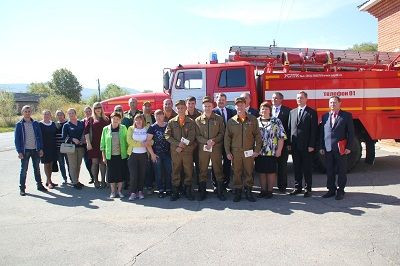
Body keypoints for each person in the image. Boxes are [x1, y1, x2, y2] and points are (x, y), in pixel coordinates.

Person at [224, 97, 262, 202]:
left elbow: (258, 136)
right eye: (238, 105)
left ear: (245, 105)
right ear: (235, 106)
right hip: (235, 152)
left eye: (242, 104)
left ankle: (249, 192)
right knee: (237, 172)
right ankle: (238, 192)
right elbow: (227, 138)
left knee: (249, 172)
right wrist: (228, 152)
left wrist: (257, 150)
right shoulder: (231, 121)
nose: (240, 107)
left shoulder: (252, 119)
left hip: (249, 151)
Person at [320, 96, 355, 200]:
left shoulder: (346, 116)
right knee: (329, 170)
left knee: (341, 170)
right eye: (330, 102)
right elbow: (322, 133)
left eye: (334, 102)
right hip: (328, 148)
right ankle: (331, 189)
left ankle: (341, 190)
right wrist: (322, 146)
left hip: (341, 149)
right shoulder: (325, 116)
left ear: (340, 103)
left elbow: (351, 133)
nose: (332, 104)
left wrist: (349, 147)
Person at [165, 100, 197, 201]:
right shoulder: (171, 122)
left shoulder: (191, 122)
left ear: (185, 108)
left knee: (188, 170)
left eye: (182, 108)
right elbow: (167, 135)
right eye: (178, 108)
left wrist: (182, 146)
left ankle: (188, 190)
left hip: (187, 151)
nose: (180, 110)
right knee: (176, 170)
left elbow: (192, 137)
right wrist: (177, 144)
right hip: (176, 151)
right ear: (176, 109)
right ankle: (175, 191)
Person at [288, 91, 318, 197]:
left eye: (301, 98)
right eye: (297, 98)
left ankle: (308, 188)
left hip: (306, 146)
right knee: (297, 167)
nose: (299, 100)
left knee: (307, 168)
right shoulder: (292, 112)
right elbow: (289, 129)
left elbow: (314, 131)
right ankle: (297, 187)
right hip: (295, 145)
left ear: (306, 99)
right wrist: (289, 144)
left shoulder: (311, 113)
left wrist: (311, 145)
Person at [195, 96, 225, 201]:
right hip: (203, 149)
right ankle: (202, 192)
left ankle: (220, 191)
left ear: (213, 106)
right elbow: (197, 135)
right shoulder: (198, 120)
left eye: (209, 106)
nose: (207, 108)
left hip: (216, 148)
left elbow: (222, 133)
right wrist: (206, 141)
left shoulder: (219, 118)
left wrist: (214, 141)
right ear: (202, 107)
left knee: (218, 169)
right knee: (202, 170)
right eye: (205, 106)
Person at [255, 101, 286, 198]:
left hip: (271, 151)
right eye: (262, 109)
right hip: (259, 152)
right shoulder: (256, 121)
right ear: (260, 111)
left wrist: (279, 150)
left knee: (270, 172)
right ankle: (263, 190)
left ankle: (269, 191)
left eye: (266, 108)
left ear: (270, 110)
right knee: (261, 171)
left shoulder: (276, 121)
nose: (264, 110)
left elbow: (281, 137)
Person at [14, 105, 47, 196]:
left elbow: (39, 137)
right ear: (22, 112)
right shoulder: (19, 125)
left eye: (29, 111)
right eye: (26, 111)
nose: (27, 113)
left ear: (31, 112)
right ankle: (22, 188)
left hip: (35, 150)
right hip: (25, 151)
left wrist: (40, 149)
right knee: (24, 170)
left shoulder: (35, 123)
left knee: (37, 168)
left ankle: (39, 185)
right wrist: (19, 151)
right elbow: (17, 140)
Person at [100, 112, 128, 198]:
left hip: (121, 155)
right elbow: (102, 145)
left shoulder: (123, 128)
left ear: (120, 120)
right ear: (111, 119)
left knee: (120, 174)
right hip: (110, 156)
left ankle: (119, 191)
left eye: (117, 119)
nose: (115, 120)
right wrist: (104, 157)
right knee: (111, 175)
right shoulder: (105, 129)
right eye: (113, 118)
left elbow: (127, 141)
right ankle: (113, 192)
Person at [212, 92, 236, 190]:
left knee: (227, 163)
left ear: (226, 101)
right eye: (219, 100)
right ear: (216, 101)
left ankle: (226, 184)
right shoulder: (212, 112)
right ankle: (216, 184)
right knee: (215, 163)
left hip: (228, 143)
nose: (221, 101)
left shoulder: (232, 111)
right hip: (216, 142)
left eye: (223, 100)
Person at [146, 109, 172, 198]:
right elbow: (147, 142)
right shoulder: (152, 128)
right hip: (157, 154)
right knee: (158, 173)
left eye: (161, 115)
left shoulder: (168, 125)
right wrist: (152, 154)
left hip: (168, 153)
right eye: (157, 115)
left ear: (163, 115)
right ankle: (160, 190)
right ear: (155, 116)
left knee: (169, 171)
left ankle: (168, 188)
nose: (159, 117)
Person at [84, 102, 110, 188]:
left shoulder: (106, 119)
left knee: (103, 163)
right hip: (93, 144)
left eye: (99, 107)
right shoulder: (90, 119)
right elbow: (86, 132)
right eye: (96, 107)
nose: (98, 109)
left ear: (101, 108)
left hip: (104, 144)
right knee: (94, 163)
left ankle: (103, 180)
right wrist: (88, 143)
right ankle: (95, 180)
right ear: (93, 109)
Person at [271, 92, 291, 193]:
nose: (274, 100)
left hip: (282, 143)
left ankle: (282, 186)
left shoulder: (288, 111)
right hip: (269, 144)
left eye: (276, 98)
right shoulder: (267, 110)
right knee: (270, 166)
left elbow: (290, 128)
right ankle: (271, 186)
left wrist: (289, 144)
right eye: (273, 98)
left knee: (282, 166)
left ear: (281, 100)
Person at [62, 108, 85, 189]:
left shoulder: (81, 123)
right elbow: (64, 138)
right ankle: (75, 182)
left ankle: (77, 180)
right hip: (71, 148)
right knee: (73, 165)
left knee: (78, 165)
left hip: (81, 147)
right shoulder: (66, 125)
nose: (71, 115)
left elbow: (84, 133)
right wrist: (72, 139)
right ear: (68, 115)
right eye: (69, 113)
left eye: (72, 113)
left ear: (75, 113)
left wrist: (83, 139)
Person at [127, 114, 148, 200]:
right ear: (134, 121)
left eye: (140, 120)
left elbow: (152, 140)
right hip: (133, 155)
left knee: (142, 174)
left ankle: (140, 191)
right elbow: (129, 141)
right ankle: (133, 192)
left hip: (143, 155)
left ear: (143, 120)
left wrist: (149, 142)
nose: (138, 121)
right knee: (133, 175)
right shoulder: (131, 129)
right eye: (136, 120)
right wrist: (141, 144)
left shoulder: (146, 128)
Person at [39, 110, 58, 189]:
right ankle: (49, 181)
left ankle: (49, 180)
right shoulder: (40, 124)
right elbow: (38, 136)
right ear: (42, 115)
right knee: (46, 164)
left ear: (51, 115)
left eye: (48, 114)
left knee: (51, 164)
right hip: (44, 147)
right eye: (45, 114)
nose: (47, 115)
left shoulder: (53, 124)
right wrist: (40, 149)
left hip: (53, 147)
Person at [142, 101, 156, 194]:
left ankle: (151, 184)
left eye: (149, 106)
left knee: (152, 164)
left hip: (152, 144)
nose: (147, 108)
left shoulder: (153, 117)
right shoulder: (139, 117)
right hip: (141, 145)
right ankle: (146, 185)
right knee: (145, 165)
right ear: (142, 107)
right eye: (145, 106)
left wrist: (152, 141)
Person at [55, 110, 70, 184]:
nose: (59, 116)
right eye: (58, 115)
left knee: (69, 163)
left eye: (61, 114)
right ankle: (65, 178)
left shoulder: (68, 123)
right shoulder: (55, 124)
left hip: (67, 146)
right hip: (58, 147)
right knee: (61, 164)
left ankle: (72, 178)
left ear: (64, 115)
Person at [82, 106, 95, 184]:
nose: (88, 113)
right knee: (87, 162)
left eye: (89, 111)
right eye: (86, 111)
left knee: (95, 162)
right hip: (85, 144)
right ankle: (92, 176)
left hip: (94, 143)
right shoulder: (82, 121)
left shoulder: (94, 120)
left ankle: (96, 177)